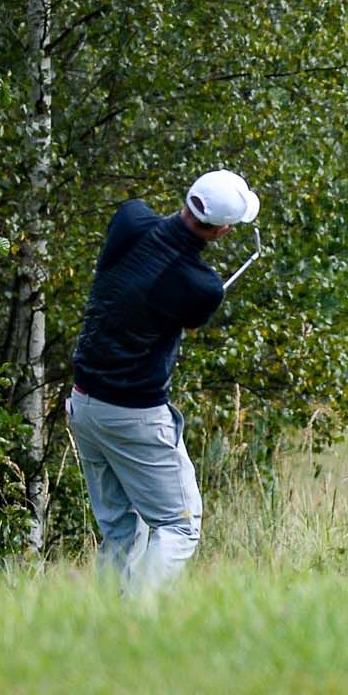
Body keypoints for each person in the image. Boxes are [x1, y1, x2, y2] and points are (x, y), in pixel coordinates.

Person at [65, 169, 258, 594]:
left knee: (120, 528)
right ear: (222, 230)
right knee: (179, 525)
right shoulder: (202, 286)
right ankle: (139, 616)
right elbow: (191, 305)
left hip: (84, 404)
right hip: (134, 414)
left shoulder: (130, 219)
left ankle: (105, 617)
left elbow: (152, 245)